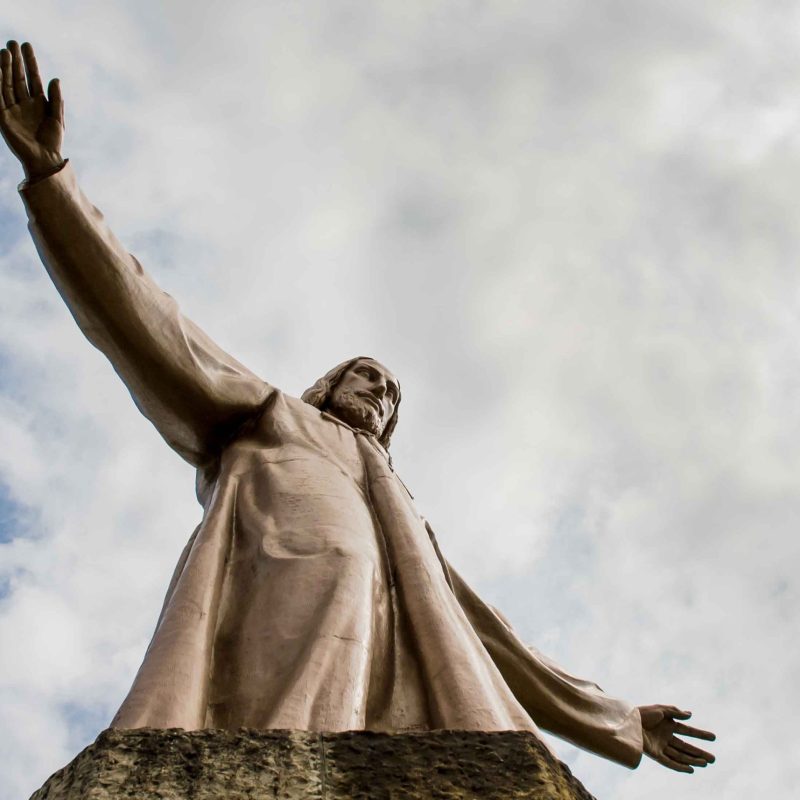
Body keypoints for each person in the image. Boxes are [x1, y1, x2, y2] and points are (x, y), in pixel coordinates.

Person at [0, 40, 716, 774]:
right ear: (327, 386)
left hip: (385, 692)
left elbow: (486, 634)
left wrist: (617, 718)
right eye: (368, 377)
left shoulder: (396, 503)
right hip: (278, 622)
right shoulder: (277, 415)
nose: (381, 393)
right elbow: (153, 327)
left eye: (393, 395)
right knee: (268, 748)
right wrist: (53, 182)